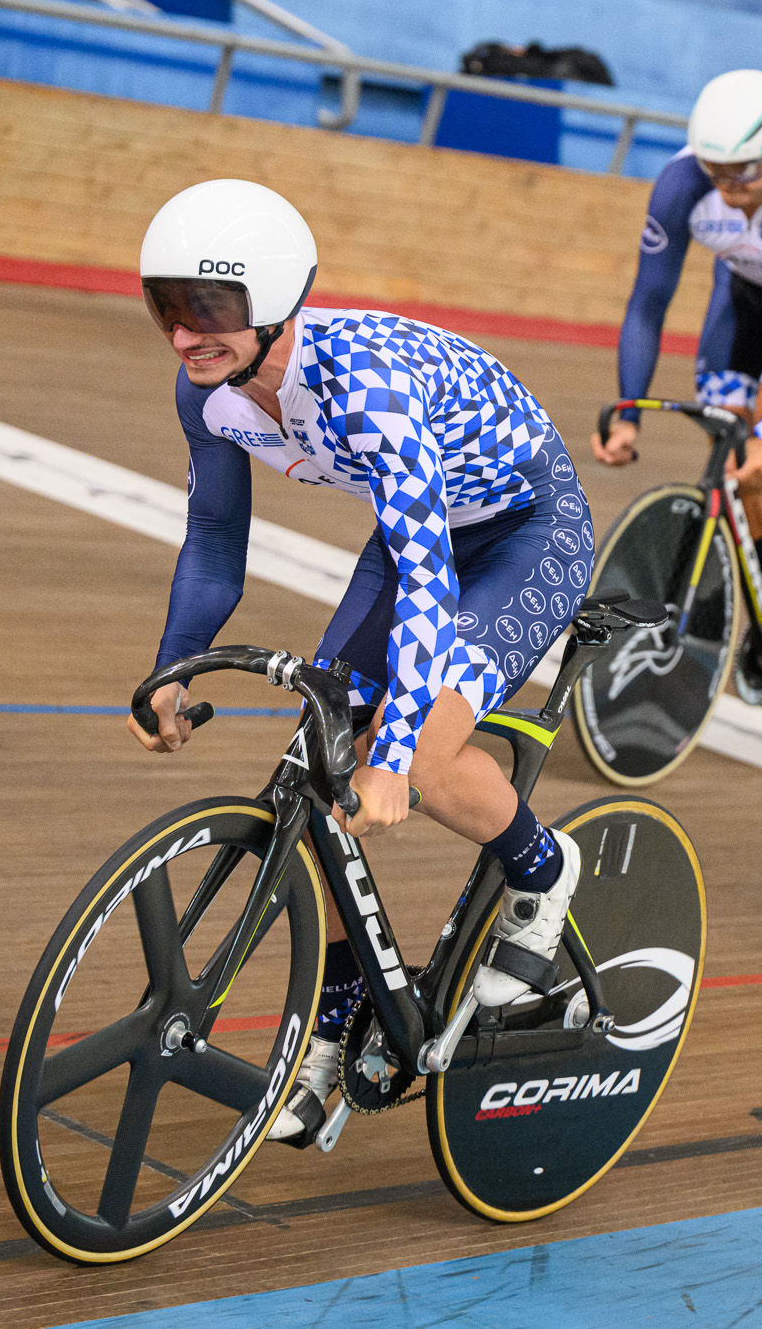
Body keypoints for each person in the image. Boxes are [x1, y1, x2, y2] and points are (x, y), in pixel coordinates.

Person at [128, 178, 595, 1146]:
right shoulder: (208, 391)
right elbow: (214, 538)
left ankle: (542, 871)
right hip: (417, 526)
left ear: (274, 308)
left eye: (208, 310)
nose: (183, 336)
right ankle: (340, 1016)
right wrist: (171, 666)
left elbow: (428, 582)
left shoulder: (362, 390)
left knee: (414, 753)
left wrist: (392, 762)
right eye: (166, 307)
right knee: (316, 754)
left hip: (522, 533)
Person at [600, 69, 762, 633]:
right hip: (743, 288)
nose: (726, 186)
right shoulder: (681, 185)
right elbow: (648, 305)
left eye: (743, 172)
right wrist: (628, 415)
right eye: (714, 170)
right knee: (731, 440)